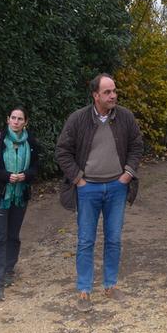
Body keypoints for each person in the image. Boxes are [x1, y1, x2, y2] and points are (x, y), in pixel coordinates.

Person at [55, 73, 143, 313]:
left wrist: (128, 173)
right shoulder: (78, 119)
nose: (113, 95)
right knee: (86, 241)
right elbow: (62, 151)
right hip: (88, 189)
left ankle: (110, 285)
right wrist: (78, 179)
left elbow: (137, 145)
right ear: (95, 95)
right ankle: (84, 289)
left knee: (113, 239)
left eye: (114, 91)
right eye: (107, 92)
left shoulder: (125, 117)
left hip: (117, 187)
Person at [0, 106, 40, 302]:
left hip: (20, 196)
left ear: (25, 122)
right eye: (13, 118)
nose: (16, 121)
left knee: (13, 236)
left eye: (20, 119)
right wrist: (5, 176)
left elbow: (37, 166)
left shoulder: (31, 141)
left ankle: (8, 271)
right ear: (7, 120)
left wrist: (26, 175)